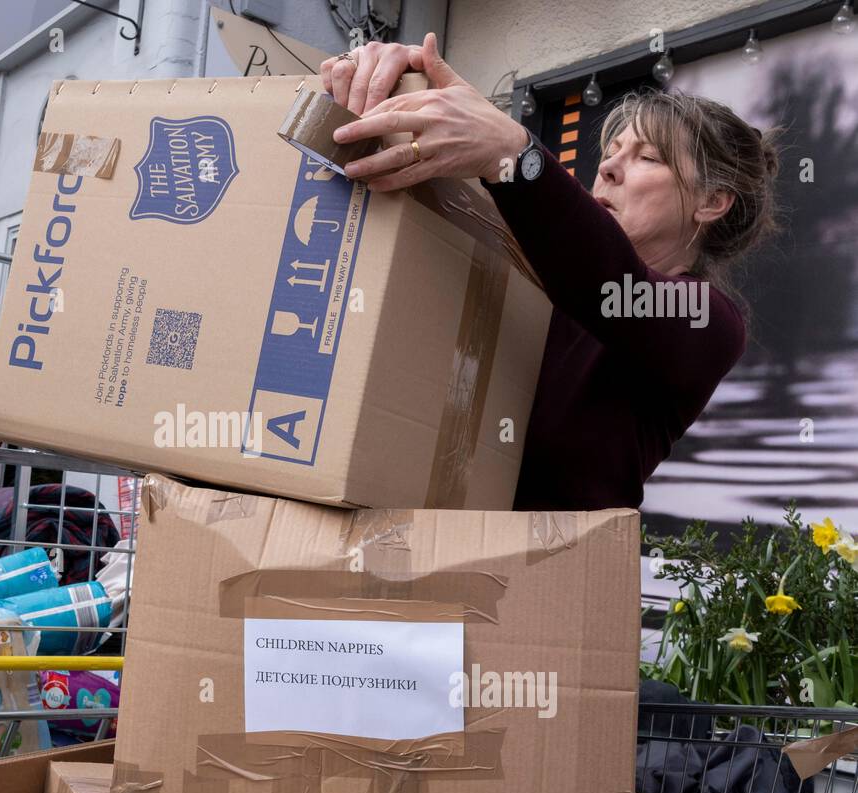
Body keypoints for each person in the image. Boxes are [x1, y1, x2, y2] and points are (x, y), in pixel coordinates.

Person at [321, 35, 780, 510]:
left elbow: (612, 289)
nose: (608, 168)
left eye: (648, 157)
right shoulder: (524, 264)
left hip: (544, 576)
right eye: (613, 151)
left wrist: (516, 155)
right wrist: (394, 85)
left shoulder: (709, 321)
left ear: (711, 202)